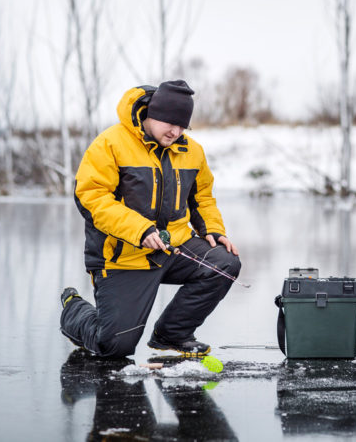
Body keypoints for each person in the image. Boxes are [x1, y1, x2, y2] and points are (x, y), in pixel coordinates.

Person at [60, 80, 241, 358]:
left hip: (174, 248)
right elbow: (91, 197)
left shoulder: (191, 151)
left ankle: (172, 335)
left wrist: (213, 229)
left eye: (182, 126)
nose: (176, 131)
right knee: (114, 346)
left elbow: (202, 197)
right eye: (170, 123)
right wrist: (139, 229)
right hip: (123, 256)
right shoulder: (110, 143)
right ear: (150, 114)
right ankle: (74, 309)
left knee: (224, 262)